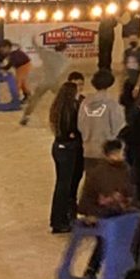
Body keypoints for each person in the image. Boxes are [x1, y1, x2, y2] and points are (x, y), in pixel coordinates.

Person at [76, 70, 125, 182]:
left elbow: (80, 125)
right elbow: (118, 126)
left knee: (90, 183)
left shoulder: (85, 102)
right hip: (106, 151)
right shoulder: (112, 104)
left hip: (88, 149)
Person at [49, 80, 83, 234]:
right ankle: (60, 220)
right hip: (68, 149)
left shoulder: (58, 108)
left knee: (64, 185)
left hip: (61, 148)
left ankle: (64, 217)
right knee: (64, 186)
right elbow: (72, 131)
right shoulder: (69, 110)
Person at [19, 42, 76, 127]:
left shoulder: (47, 54)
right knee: (64, 99)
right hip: (55, 82)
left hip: (45, 80)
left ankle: (26, 116)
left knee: (35, 99)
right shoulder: (65, 59)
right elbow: (63, 72)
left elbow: (37, 48)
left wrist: (33, 40)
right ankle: (70, 117)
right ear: (64, 49)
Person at [119, 33, 140, 105]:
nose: (132, 40)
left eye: (134, 38)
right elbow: (124, 68)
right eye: (131, 38)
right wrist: (121, 84)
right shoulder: (127, 52)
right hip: (130, 81)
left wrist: (137, 86)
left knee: (139, 103)